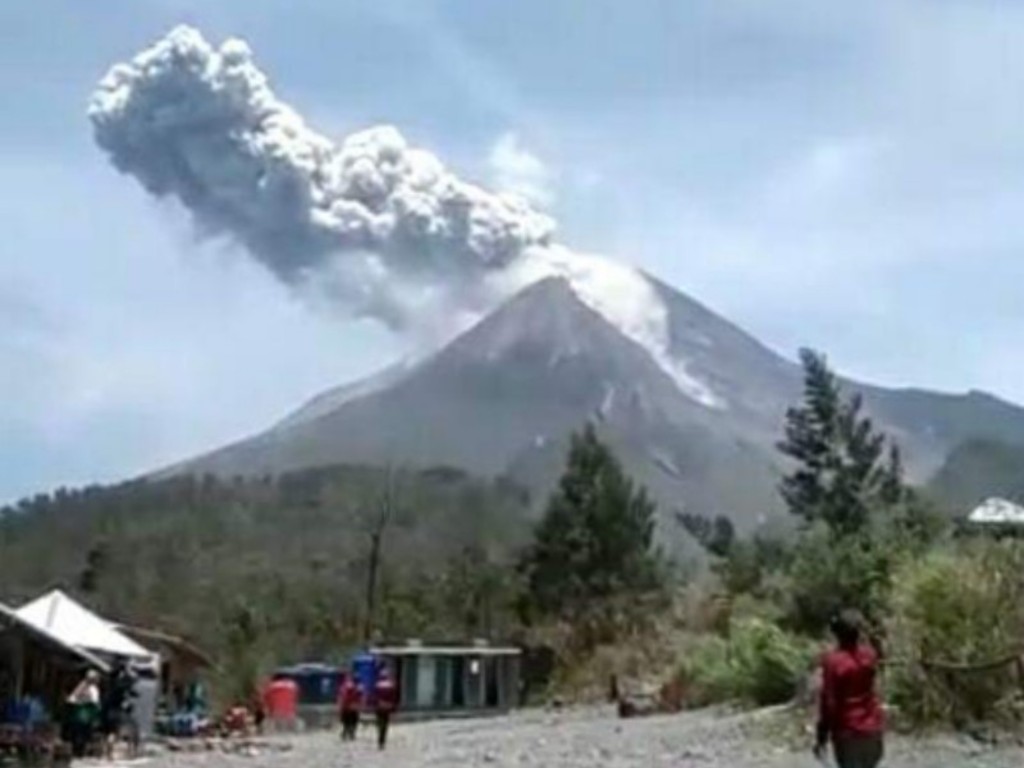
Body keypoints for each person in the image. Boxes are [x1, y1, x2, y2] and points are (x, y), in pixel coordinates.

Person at [815, 609, 885, 768]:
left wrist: (822, 735)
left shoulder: (833, 662)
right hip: (873, 730)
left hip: (848, 733)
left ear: (836, 633)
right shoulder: (869, 656)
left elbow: (829, 702)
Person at [100, 659, 138, 761]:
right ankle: (109, 754)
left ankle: (105, 753)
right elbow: (133, 692)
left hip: (106, 710)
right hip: (116, 711)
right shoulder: (122, 686)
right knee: (114, 732)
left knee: (107, 732)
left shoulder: (110, 683)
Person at [66, 669, 101, 758]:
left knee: (79, 734)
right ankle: (78, 752)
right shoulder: (88, 687)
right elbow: (95, 703)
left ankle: (77, 752)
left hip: (80, 715)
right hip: (84, 715)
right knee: (82, 734)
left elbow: (71, 699)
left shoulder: (83, 686)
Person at [372, 666, 397, 750]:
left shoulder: (377, 685)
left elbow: (374, 698)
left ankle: (379, 740)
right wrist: (393, 708)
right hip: (387, 707)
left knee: (379, 723)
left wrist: (374, 705)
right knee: (385, 724)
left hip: (379, 707)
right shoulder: (391, 686)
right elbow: (393, 698)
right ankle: (382, 741)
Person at [337, 672, 362, 742]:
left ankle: (346, 733)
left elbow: (342, 696)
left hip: (347, 706)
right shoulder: (357, 687)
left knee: (347, 720)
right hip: (352, 706)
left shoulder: (345, 686)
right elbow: (360, 697)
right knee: (353, 720)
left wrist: (341, 705)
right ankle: (350, 733)